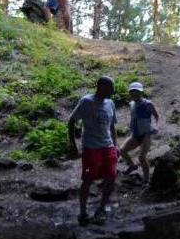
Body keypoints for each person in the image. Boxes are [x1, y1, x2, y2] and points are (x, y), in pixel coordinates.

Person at [68, 76, 118, 226]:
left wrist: (115, 146)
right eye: (111, 88)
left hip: (107, 146)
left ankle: (101, 208)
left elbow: (112, 126)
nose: (113, 91)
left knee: (111, 177)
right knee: (88, 180)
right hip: (91, 147)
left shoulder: (110, 103)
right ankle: (83, 213)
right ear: (100, 87)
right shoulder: (86, 102)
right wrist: (73, 145)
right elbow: (71, 121)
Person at [120, 82, 160, 185]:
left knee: (142, 157)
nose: (134, 94)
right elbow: (133, 118)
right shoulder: (131, 104)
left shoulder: (148, 104)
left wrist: (155, 126)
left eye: (137, 92)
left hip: (146, 134)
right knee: (122, 150)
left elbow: (156, 115)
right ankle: (132, 166)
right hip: (135, 134)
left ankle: (146, 179)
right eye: (132, 92)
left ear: (141, 92)